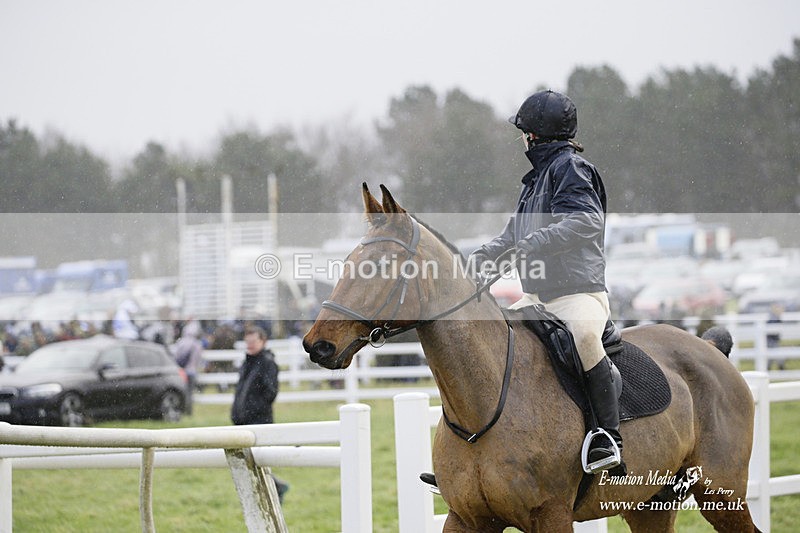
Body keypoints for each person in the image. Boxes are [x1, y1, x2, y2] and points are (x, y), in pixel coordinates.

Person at [470, 90, 623, 472]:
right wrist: (479, 257)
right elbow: (511, 237)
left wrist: (538, 240)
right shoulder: (533, 181)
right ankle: (473, 448)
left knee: (585, 338)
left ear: (534, 135)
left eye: (523, 132)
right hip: (536, 296)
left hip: (579, 294)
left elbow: (587, 220)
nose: (521, 138)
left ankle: (608, 436)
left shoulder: (572, 167)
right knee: (489, 343)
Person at [230, 326, 289, 500]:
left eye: (253, 341)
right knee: (249, 462)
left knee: (256, 461)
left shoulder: (267, 363)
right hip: (244, 420)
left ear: (263, 341)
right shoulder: (246, 363)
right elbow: (241, 391)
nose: (250, 345)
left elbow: (270, 393)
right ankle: (267, 492)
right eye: (247, 342)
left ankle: (276, 488)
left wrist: (252, 410)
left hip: (259, 421)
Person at [173, 320, 203, 415]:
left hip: (181, 372)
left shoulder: (180, 342)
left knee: (181, 392)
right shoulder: (197, 344)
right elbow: (198, 359)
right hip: (192, 371)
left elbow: (176, 357)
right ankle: (188, 412)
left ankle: (181, 411)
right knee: (190, 393)